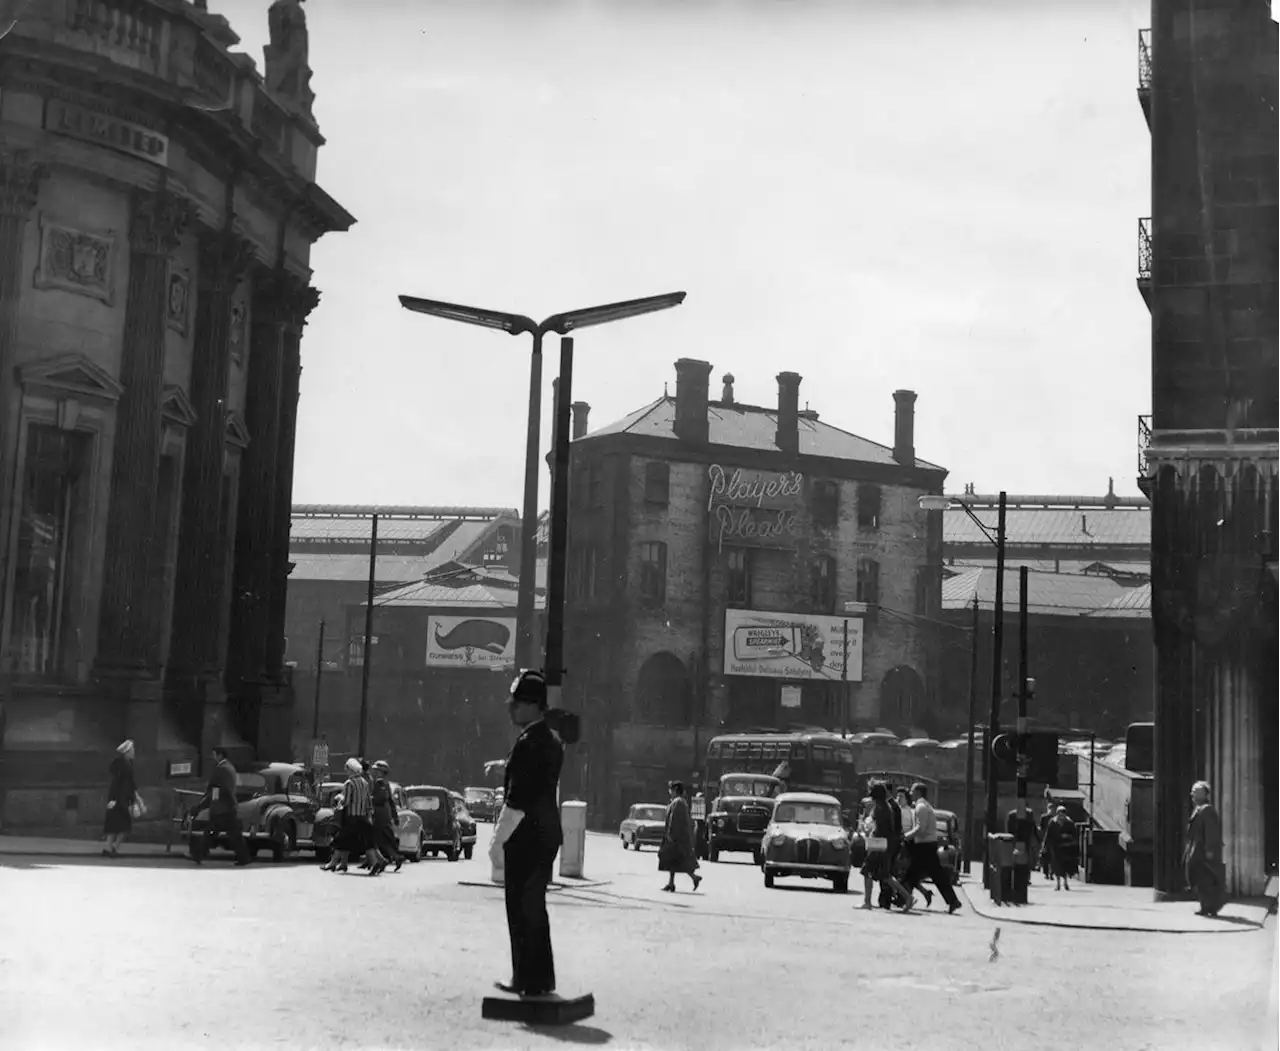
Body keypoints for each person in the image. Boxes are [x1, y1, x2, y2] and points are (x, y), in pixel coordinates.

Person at [490, 670, 564, 1000]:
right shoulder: (549, 740)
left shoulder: (528, 743)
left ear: (534, 706)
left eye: (518, 703)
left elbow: (517, 801)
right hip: (546, 833)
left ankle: (526, 979)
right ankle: (541, 978)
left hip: (526, 835)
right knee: (535, 907)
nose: (512, 709)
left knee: (519, 908)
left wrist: (497, 841)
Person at [902, 783, 963, 914]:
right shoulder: (925, 806)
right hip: (927, 845)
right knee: (935, 875)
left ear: (918, 792)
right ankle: (953, 901)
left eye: (912, 791)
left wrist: (905, 837)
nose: (910, 793)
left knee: (911, 874)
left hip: (924, 846)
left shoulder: (921, 807)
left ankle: (902, 898)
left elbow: (920, 828)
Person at [189, 747, 250, 866]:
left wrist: (206, 804)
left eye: (215, 755)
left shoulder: (222, 769)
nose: (213, 757)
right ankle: (244, 858)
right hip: (228, 808)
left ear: (220, 755)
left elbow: (218, 790)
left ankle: (199, 855)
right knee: (230, 834)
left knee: (212, 833)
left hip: (222, 809)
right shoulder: (229, 768)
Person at [324, 758, 384, 875]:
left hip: (352, 818)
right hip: (363, 817)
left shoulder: (349, 783)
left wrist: (339, 799)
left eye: (347, 770)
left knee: (340, 839)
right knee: (367, 842)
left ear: (351, 770)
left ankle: (332, 863)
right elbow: (368, 802)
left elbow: (346, 802)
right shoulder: (364, 783)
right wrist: (369, 815)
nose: (346, 773)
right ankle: (374, 862)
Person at [860, 782, 914, 912]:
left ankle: (867, 902)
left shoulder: (880, 808)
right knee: (885, 875)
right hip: (885, 844)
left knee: (867, 871)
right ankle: (908, 897)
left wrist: (868, 833)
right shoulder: (886, 806)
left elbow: (877, 828)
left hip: (878, 843)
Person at [1184, 780, 1227, 917]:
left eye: (1196, 792)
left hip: (1203, 851)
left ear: (1204, 794)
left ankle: (1210, 908)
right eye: (1192, 792)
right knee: (1200, 879)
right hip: (1197, 849)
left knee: (1207, 880)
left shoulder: (1207, 810)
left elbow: (1211, 832)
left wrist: (1209, 850)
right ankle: (1206, 906)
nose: (1192, 795)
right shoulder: (1198, 809)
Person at [659, 780, 702, 893]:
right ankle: (672, 883)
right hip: (677, 837)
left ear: (675, 790)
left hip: (676, 837)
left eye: (671, 789)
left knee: (678, 860)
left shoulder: (678, 802)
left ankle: (693, 878)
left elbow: (674, 820)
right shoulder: (678, 801)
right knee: (674, 861)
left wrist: (671, 835)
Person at [103, 739, 140, 858]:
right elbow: (119, 783)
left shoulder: (126, 765)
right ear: (127, 752)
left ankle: (110, 848)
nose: (134, 751)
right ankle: (111, 848)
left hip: (121, 799)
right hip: (120, 800)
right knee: (121, 826)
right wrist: (114, 799)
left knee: (117, 826)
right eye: (132, 749)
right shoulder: (123, 766)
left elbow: (130, 784)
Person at [369, 760, 403, 872]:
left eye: (377, 770)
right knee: (385, 839)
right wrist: (395, 815)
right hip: (385, 815)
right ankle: (394, 857)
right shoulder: (386, 783)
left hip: (380, 815)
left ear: (381, 771)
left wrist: (370, 799)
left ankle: (384, 860)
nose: (375, 772)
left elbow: (381, 798)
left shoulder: (379, 783)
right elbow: (391, 801)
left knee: (377, 840)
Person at [1044, 805, 1079, 891]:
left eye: (1062, 814)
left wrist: (1067, 836)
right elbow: (1048, 835)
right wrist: (1045, 846)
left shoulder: (1069, 822)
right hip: (1055, 848)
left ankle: (1065, 882)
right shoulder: (1053, 822)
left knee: (1065, 866)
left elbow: (1074, 835)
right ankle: (1058, 884)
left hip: (1066, 847)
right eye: (1059, 814)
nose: (1061, 816)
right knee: (1056, 866)